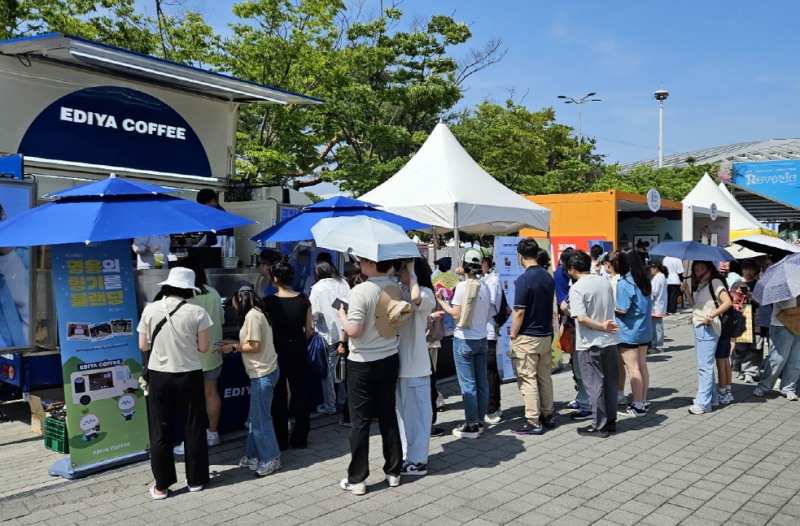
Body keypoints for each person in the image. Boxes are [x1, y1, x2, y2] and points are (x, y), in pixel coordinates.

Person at [137, 267, 211, 499]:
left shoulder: (150, 310)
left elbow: (143, 346)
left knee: (160, 430)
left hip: (159, 375)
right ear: (189, 289)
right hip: (189, 374)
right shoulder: (197, 312)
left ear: (167, 286)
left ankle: (161, 486)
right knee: (193, 427)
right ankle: (196, 480)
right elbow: (203, 347)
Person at [337, 256, 404, 496]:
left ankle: (357, 478)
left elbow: (354, 330)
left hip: (363, 361)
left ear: (372, 263)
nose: (361, 263)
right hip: (390, 356)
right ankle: (394, 471)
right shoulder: (396, 288)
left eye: (364, 259)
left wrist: (342, 315)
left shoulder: (360, 291)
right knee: (388, 414)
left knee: (360, 421)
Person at [218, 281, 282, 476]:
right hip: (264, 371)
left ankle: (271, 458)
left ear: (240, 297)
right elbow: (254, 342)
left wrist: (232, 347)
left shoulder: (252, 316)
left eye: (232, 301)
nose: (232, 306)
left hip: (262, 373)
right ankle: (253, 455)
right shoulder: (257, 313)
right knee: (255, 418)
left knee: (261, 419)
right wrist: (233, 342)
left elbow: (254, 346)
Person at [172, 259, 225, 456]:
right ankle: (212, 434)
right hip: (213, 352)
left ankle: (192, 441)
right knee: (211, 393)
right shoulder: (213, 292)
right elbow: (221, 319)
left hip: (190, 357)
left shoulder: (184, 296)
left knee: (191, 401)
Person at [437, 249, 491, 439]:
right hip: (481, 338)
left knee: (468, 385)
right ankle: (479, 421)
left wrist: (441, 301)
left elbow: (456, 314)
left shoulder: (462, 287)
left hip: (464, 339)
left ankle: (471, 424)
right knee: (482, 383)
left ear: (464, 265)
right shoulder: (484, 286)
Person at [566, 251, 620, 437]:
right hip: (610, 341)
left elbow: (581, 318)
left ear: (572, 268)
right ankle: (610, 421)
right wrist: (605, 327)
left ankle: (599, 425)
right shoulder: (604, 281)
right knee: (610, 383)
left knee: (594, 384)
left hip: (590, 342)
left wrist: (601, 326)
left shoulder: (576, 288)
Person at [262, 257, 313, 450]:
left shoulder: (268, 302)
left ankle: (280, 438)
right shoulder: (303, 299)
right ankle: (300, 438)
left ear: (274, 278)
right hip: (298, 349)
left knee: (279, 396)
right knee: (300, 393)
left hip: (277, 350)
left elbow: (265, 330)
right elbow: (309, 329)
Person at [508, 238, 556, 435]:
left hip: (527, 336)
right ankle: (548, 414)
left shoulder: (524, 279)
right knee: (544, 377)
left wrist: (513, 335)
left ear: (520, 257)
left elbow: (519, 311)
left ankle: (532, 420)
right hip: (545, 334)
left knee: (527, 379)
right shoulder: (548, 276)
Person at [395, 259, 436, 476]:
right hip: (400, 364)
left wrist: (411, 269)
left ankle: (418, 461)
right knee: (403, 416)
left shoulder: (426, 293)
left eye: (403, 267)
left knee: (417, 416)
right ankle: (408, 455)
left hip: (416, 366)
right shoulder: (400, 290)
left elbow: (416, 298)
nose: (399, 271)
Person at [681, 260, 733, 414]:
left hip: (708, 327)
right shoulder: (703, 284)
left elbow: (727, 302)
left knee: (705, 366)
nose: (698, 272)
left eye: (702, 269)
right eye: (696, 269)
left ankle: (703, 403)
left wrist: (710, 316)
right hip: (699, 325)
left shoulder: (715, 282)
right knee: (705, 365)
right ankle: (712, 398)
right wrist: (686, 292)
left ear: (710, 269)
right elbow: (694, 305)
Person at [309, 260, 351, 415]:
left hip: (328, 334)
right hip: (346, 332)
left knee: (328, 371)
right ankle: (342, 400)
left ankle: (329, 405)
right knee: (343, 368)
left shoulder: (317, 288)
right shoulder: (344, 283)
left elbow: (314, 314)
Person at [615, 248, 653, 416]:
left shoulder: (625, 282)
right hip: (644, 329)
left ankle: (637, 405)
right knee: (642, 366)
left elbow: (622, 309)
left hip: (629, 330)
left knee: (633, 368)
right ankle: (642, 400)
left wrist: (611, 309)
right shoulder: (644, 280)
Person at [753, 295, 800, 401]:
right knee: (777, 359)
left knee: (795, 361)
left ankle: (789, 388)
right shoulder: (782, 289)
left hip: (797, 325)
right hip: (781, 326)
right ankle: (764, 386)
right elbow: (789, 311)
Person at [480, 251, 504, 424]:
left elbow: (490, 303)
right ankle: (492, 406)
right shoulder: (483, 278)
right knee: (487, 370)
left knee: (490, 370)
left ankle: (493, 408)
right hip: (481, 330)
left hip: (488, 330)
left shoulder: (493, 280)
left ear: (486, 262)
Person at [731, 259, 762, 383]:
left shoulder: (759, 284)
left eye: (751, 269)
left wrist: (750, 296)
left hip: (756, 319)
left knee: (755, 346)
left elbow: (762, 302)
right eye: (746, 269)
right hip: (741, 319)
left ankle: (750, 372)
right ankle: (738, 367)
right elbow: (731, 302)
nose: (748, 272)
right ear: (742, 270)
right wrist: (737, 296)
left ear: (755, 271)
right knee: (740, 346)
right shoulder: (736, 284)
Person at [648, 262, 668, 354]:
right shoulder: (662, 276)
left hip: (656, 305)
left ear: (655, 268)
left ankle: (657, 346)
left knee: (656, 327)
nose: (650, 270)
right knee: (657, 326)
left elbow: (654, 292)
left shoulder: (658, 278)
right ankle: (656, 345)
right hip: (659, 305)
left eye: (651, 268)